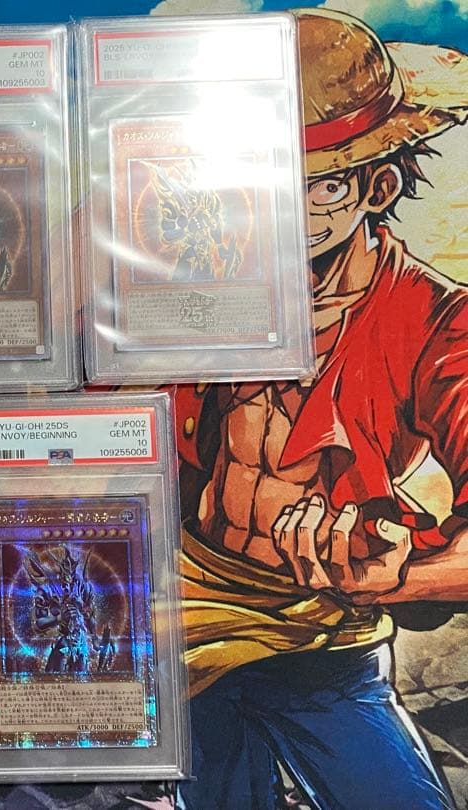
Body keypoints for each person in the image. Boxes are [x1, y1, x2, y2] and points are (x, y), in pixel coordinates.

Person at [176, 9, 468, 808]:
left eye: (319, 185)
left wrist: (405, 575)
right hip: (185, 625)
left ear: (378, 186)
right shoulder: (200, 284)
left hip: (322, 639)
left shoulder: (436, 321)